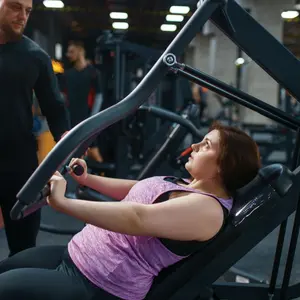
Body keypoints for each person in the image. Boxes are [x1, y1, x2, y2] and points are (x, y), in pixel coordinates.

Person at [0, 122, 261, 300]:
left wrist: (64, 203)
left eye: (205, 145)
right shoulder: (187, 185)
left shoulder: (208, 210)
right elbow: (138, 188)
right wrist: (88, 179)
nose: (194, 147)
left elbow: (138, 218)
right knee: (4, 269)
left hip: (99, 284)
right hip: (75, 256)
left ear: (224, 165)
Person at [0, 0, 70, 256]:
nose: (23, 16)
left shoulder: (35, 56)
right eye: (15, 7)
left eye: (28, 11)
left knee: (23, 247)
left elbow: (54, 107)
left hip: (18, 162)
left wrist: (69, 144)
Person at [61, 40, 103, 162]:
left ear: (80, 52)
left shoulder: (93, 73)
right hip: (71, 119)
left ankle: (102, 177)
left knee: (94, 151)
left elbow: (99, 96)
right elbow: (63, 97)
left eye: (71, 51)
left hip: (87, 118)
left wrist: (93, 118)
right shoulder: (67, 74)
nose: (68, 55)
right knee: (72, 153)